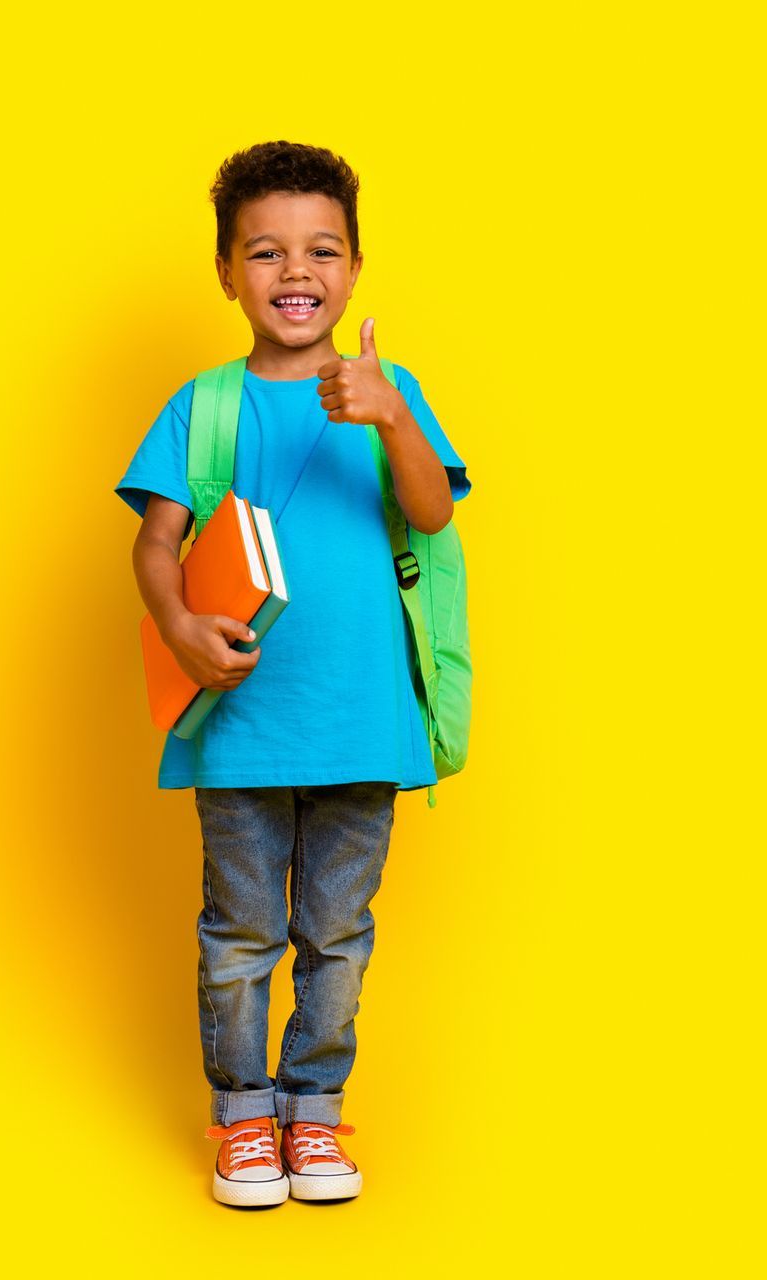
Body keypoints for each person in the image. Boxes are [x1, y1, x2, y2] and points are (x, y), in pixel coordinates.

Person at [113, 141, 472, 1207]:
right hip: (244, 722)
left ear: (356, 267)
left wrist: (391, 414)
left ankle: (314, 1113)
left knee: (338, 930)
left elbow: (432, 511)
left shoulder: (385, 389)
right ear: (227, 270)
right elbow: (154, 541)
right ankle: (241, 1114)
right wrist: (177, 620)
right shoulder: (206, 402)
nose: (294, 271)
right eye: (264, 251)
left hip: (364, 721)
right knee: (239, 930)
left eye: (321, 249)